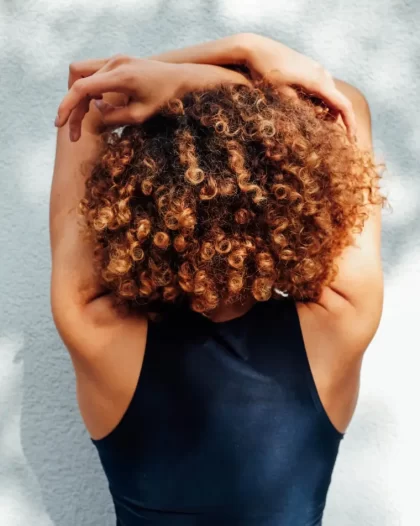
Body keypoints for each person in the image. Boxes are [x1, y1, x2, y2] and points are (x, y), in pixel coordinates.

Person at [50, 34, 384, 525]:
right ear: (289, 204)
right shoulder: (341, 322)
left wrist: (182, 73)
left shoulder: (92, 324)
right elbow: (341, 108)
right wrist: (241, 54)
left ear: (132, 203)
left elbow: (89, 102)